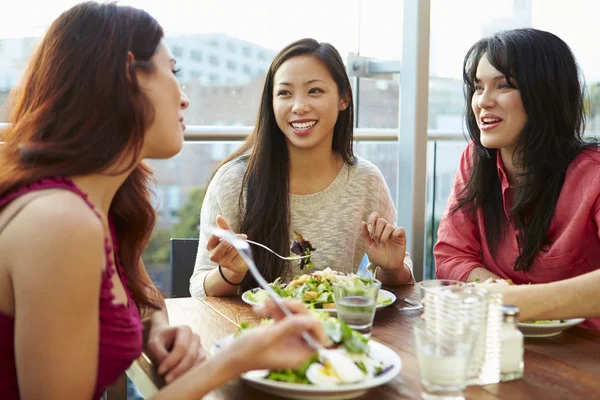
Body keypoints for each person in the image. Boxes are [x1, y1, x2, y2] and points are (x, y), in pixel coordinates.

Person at [0, 2, 327, 399]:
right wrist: (235, 359)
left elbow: (140, 292)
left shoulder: (102, 203)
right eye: (173, 72)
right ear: (128, 76)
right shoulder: (60, 222)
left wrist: (155, 328)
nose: (184, 99)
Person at [190, 38, 413, 298]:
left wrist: (391, 267)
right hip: (254, 332)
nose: (299, 106)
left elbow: (399, 272)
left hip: (334, 332)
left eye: (314, 91)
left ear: (344, 99)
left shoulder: (366, 180)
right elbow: (198, 286)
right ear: (271, 104)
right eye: (284, 93)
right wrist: (230, 273)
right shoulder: (234, 181)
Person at [433, 28, 599, 331]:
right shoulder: (476, 160)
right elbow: (451, 254)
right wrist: (494, 287)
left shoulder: (593, 174)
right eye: (478, 87)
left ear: (545, 93)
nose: (483, 101)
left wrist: (516, 301)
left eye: (504, 85)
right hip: (505, 342)